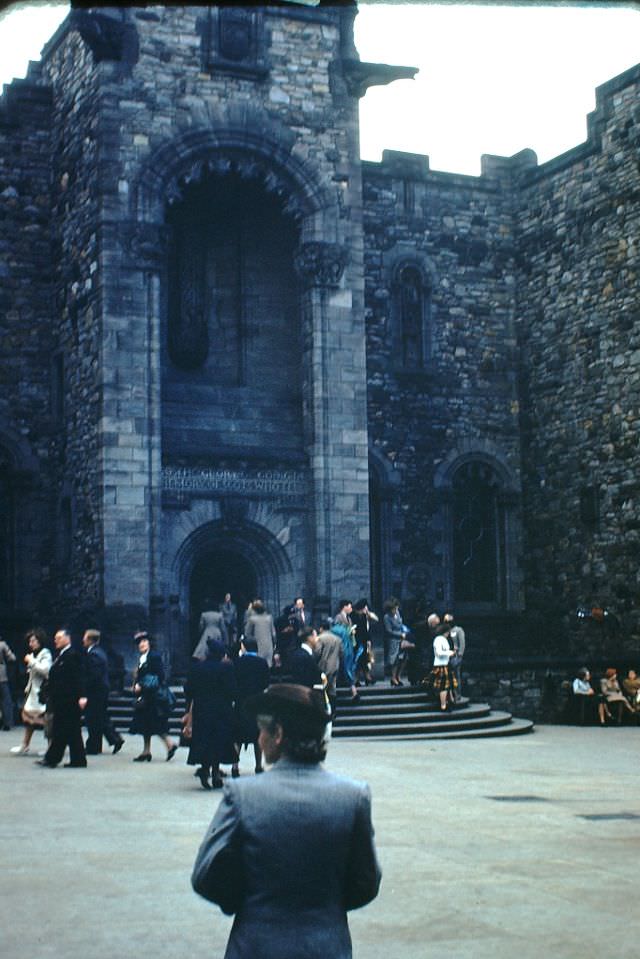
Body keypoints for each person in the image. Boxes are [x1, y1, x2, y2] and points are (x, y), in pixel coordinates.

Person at [192, 683, 382, 959]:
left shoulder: (243, 795)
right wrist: (325, 907)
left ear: (278, 733)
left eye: (262, 730)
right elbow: (366, 882)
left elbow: (205, 876)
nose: (259, 739)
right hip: (326, 945)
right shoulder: (353, 797)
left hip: (257, 944)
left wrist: (244, 900)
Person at [185, 638, 238, 790]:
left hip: (202, 710)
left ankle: (205, 768)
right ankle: (215, 772)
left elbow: (189, 689)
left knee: (204, 740)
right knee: (218, 742)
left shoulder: (197, 667)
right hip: (222, 711)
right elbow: (232, 691)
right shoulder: (226, 668)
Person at [37, 628, 87, 768]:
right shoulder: (62, 655)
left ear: (67, 638)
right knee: (72, 731)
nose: (55, 640)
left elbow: (79, 677)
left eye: (58, 638)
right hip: (61, 699)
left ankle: (52, 758)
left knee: (61, 729)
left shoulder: (72, 655)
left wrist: (82, 695)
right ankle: (78, 760)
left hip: (69, 699)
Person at [130, 631, 178, 762]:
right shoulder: (143, 658)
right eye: (139, 643)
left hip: (153, 697)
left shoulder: (154, 657)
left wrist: (143, 685)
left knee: (155, 723)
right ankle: (146, 751)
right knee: (145, 725)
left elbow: (160, 676)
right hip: (146, 696)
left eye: (144, 641)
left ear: (149, 643)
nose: (142, 644)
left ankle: (170, 744)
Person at [231, 636, 270, 778]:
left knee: (237, 736)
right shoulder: (262, 663)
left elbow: (233, 682)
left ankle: (235, 766)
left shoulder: (237, 663)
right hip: (257, 702)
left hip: (241, 702)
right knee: (257, 735)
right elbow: (266, 682)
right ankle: (258, 765)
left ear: (244, 647)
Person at [82, 629, 124, 755]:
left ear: (90, 640)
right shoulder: (99, 652)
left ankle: (94, 745)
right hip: (100, 690)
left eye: (85, 638)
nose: (83, 640)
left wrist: (84, 690)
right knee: (100, 717)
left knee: (93, 718)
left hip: (96, 691)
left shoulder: (94, 654)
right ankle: (113, 739)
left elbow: (93, 675)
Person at [10, 629, 52, 755]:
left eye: (33, 641)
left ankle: (51, 746)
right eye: (30, 641)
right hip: (32, 693)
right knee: (29, 720)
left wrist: (31, 662)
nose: (31, 643)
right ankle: (25, 745)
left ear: (40, 641)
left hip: (42, 694)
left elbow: (46, 670)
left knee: (46, 720)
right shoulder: (34, 655)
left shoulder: (46, 654)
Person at [314, 617, 343, 717]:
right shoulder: (337, 639)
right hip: (335, 666)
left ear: (321, 628)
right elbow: (341, 653)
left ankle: (325, 710)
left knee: (322, 689)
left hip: (323, 666)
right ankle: (333, 711)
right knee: (332, 689)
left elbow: (317, 652)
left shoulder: (320, 638)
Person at [332, 600, 359, 702]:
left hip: (348, 645)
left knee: (347, 667)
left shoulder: (348, 618)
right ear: (344, 607)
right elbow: (337, 631)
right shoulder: (339, 618)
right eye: (350, 606)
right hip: (342, 645)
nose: (351, 609)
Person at [383, 598, 411, 687]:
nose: (395, 610)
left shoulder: (398, 613)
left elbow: (401, 623)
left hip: (402, 638)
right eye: (393, 609)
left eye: (396, 608)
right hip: (393, 640)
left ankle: (399, 676)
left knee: (403, 658)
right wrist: (400, 634)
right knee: (395, 660)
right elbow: (389, 630)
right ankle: (393, 677)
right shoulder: (387, 617)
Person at [351, 598, 378, 686]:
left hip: (364, 640)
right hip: (356, 641)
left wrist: (368, 640)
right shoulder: (353, 615)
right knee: (358, 660)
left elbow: (374, 621)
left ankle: (366, 677)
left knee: (364, 660)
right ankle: (359, 679)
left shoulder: (364, 616)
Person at [430, 623, 456, 711]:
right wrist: (449, 653)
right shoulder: (438, 640)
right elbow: (439, 653)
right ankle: (443, 705)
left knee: (448, 685)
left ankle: (449, 701)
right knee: (443, 686)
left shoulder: (444, 640)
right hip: (440, 665)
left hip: (445, 664)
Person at [244, 600, 276, 667]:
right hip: (269, 645)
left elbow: (247, 634)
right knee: (268, 665)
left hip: (257, 646)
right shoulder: (269, 618)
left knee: (258, 666)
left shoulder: (252, 619)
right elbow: (273, 634)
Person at [443, 612, 466, 700]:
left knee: (456, 676)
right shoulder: (445, 631)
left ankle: (457, 693)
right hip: (447, 656)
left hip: (456, 656)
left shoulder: (458, 630)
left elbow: (462, 643)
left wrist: (460, 655)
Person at [0, 633, 17, 730]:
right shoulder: (2, 644)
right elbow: (12, 658)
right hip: (1, 676)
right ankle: (7, 723)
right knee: (6, 700)